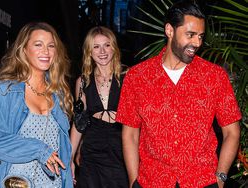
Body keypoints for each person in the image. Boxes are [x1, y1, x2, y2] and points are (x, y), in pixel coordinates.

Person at [116, 1, 242, 188]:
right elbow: (130, 135)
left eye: (200, 36)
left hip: (202, 181)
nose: (197, 43)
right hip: (152, 181)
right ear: (169, 30)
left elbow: (232, 131)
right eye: (190, 35)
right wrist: (134, 181)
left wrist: (221, 178)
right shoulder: (137, 77)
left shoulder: (214, 76)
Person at [0, 22, 74, 188]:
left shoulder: (58, 93)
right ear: (23, 50)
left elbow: (62, 149)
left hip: (53, 183)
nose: (46, 51)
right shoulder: (4, 90)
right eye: (38, 44)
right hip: (15, 181)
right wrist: (39, 150)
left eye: (51, 46)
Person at [70, 26, 129, 188]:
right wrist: (70, 157)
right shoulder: (83, 82)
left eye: (107, 45)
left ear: (114, 48)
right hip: (93, 150)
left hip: (121, 148)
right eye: (96, 46)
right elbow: (79, 123)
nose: (102, 51)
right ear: (89, 51)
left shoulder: (128, 76)